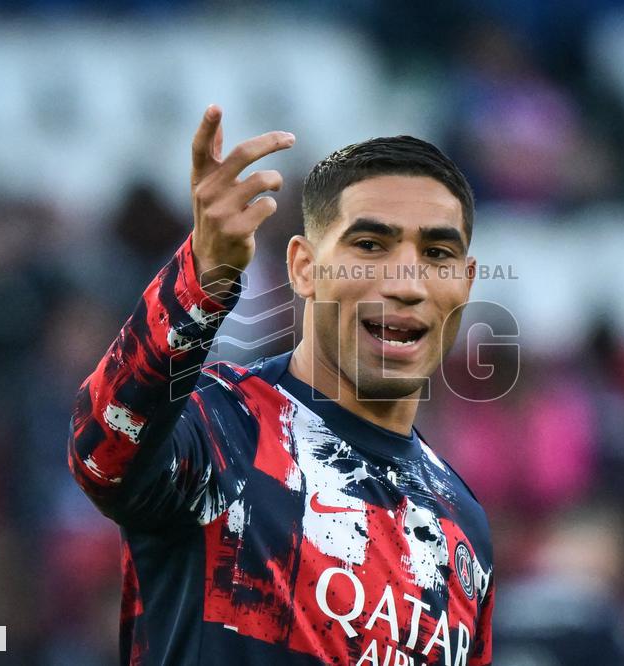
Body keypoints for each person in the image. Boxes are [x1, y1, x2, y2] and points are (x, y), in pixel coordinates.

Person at [69, 104, 493, 666]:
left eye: (437, 254)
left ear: (464, 285)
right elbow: (100, 452)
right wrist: (202, 277)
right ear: (304, 268)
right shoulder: (224, 426)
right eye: (369, 246)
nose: (407, 281)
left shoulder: (462, 523)